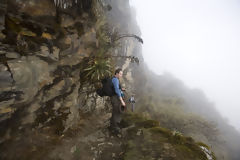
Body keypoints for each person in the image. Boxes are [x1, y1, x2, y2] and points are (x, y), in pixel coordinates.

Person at [110, 68, 126, 134]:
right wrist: (121, 100)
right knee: (116, 112)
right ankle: (114, 128)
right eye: (120, 74)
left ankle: (114, 126)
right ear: (116, 73)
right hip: (115, 98)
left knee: (116, 111)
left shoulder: (114, 79)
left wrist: (121, 89)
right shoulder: (115, 80)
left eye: (122, 74)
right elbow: (116, 90)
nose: (121, 75)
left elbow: (116, 88)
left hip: (115, 97)